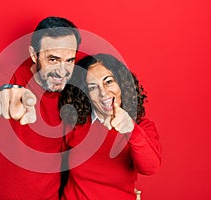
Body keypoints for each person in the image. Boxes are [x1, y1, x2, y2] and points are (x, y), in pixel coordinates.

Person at [0, 17, 81, 199]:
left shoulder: (73, 94)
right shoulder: (11, 75)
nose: (62, 71)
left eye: (69, 60)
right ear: (34, 54)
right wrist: (4, 94)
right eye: (53, 59)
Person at [59, 54, 162, 199]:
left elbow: (150, 167)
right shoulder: (75, 122)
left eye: (108, 82)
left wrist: (130, 130)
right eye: (93, 87)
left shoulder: (141, 127)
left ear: (121, 83)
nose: (103, 93)